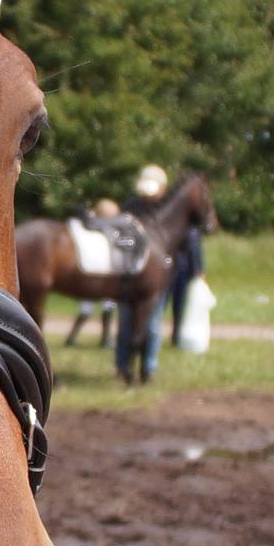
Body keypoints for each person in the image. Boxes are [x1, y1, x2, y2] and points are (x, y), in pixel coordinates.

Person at [115, 164, 169, 383]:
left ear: (163, 189)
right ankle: (122, 366)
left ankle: (149, 367)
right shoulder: (131, 207)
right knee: (126, 323)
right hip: (130, 278)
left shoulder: (167, 211)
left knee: (152, 325)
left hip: (155, 280)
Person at [65, 198, 119, 347]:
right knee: (101, 305)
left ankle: (74, 337)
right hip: (99, 276)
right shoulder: (108, 233)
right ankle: (103, 338)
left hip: (95, 276)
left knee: (92, 307)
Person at [171, 222, 206, 346]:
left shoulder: (187, 226)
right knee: (179, 306)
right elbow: (194, 248)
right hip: (181, 270)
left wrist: (199, 270)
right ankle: (176, 336)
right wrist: (199, 270)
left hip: (176, 269)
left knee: (178, 306)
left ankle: (176, 335)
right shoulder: (192, 229)